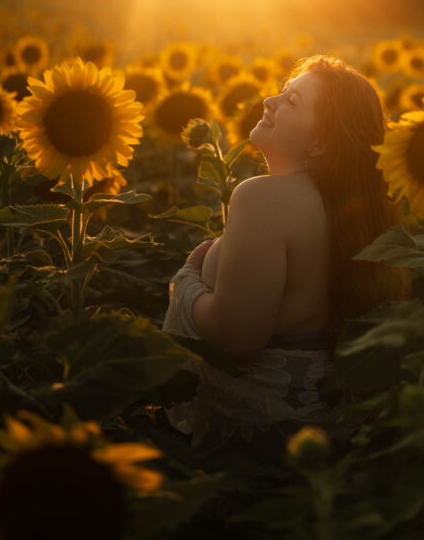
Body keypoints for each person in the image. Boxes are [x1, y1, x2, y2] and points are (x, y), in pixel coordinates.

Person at [162, 55, 408, 451]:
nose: (268, 101)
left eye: (291, 101)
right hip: (327, 436)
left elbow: (236, 338)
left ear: (322, 141)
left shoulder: (263, 198)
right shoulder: (357, 215)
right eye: (281, 91)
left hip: (253, 446)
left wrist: (187, 283)